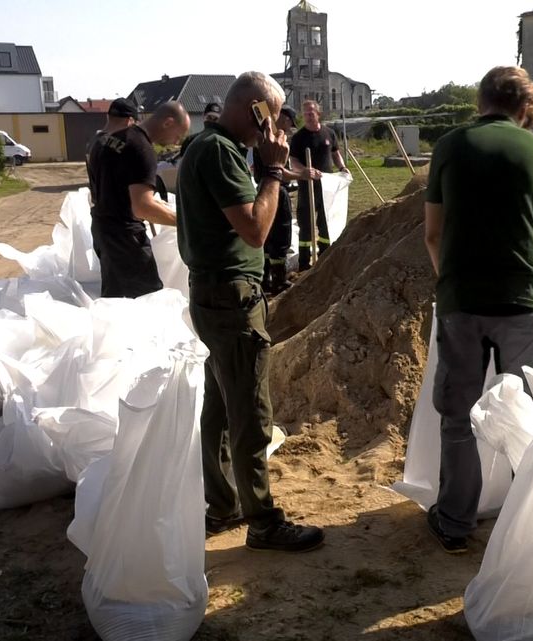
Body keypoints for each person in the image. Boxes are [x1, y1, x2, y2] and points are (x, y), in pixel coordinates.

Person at [177, 71, 324, 553]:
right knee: (250, 415)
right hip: (230, 301)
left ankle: (221, 506)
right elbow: (256, 230)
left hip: (216, 296)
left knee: (221, 407)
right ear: (257, 109)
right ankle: (261, 521)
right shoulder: (219, 151)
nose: (277, 126)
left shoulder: (207, 147)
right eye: (272, 115)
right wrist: (273, 171)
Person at [423, 65, 533, 553]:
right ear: (525, 108)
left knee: (458, 413)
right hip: (523, 299)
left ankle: (456, 522)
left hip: (462, 298)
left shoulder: (450, 146)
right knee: (531, 414)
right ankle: (532, 528)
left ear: (480, 101)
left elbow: (432, 233)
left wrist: (451, 278)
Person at [86, 101, 190, 298]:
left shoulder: (107, 141)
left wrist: (162, 205)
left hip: (103, 229)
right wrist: (186, 221)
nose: (176, 142)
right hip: (125, 238)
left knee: (116, 300)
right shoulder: (141, 149)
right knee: (149, 300)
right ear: (168, 122)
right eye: (179, 135)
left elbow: (117, 190)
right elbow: (142, 208)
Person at [290, 100, 349, 270]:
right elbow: (293, 161)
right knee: (306, 225)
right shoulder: (299, 138)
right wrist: (305, 170)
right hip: (307, 186)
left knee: (325, 222)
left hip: (327, 186)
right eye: (305, 113)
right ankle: (304, 263)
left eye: (311, 113)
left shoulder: (329, 133)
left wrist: (342, 167)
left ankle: (324, 257)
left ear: (318, 114)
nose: (308, 116)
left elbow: (336, 153)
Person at [254, 105, 300, 295]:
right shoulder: (270, 140)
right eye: (290, 122)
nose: (289, 128)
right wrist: (302, 174)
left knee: (269, 237)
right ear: (284, 118)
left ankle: (266, 279)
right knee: (281, 235)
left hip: (264, 189)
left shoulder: (262, 138)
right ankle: (278, 280)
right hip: (276, 190)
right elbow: (279, 171)